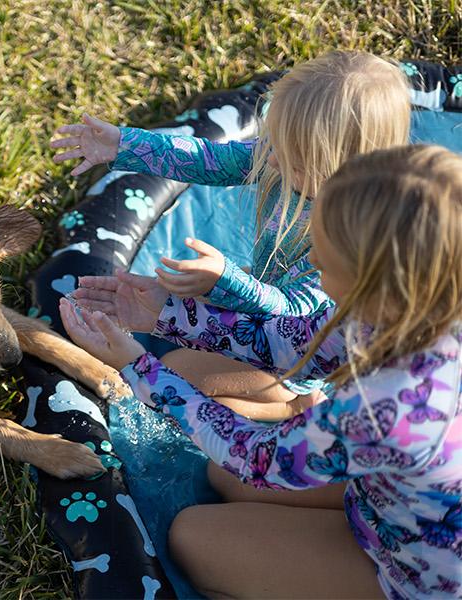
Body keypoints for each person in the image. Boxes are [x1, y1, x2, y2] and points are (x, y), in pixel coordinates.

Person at [62, 144, 462, 598]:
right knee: (219, 477)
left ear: (374, 282)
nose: (312, 263)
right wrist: (165, 313)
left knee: (191, 537)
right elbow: (295, 344)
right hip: (388, 501)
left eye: (326, 260)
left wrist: (139, 367)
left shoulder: (391, 405)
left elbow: (257, 458)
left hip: (418, 576)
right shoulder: (418, 308)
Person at [50, 50, 412, 421]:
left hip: (293, 360)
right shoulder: (286, 160)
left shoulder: (350, 237)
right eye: (274, 143)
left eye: (293, 161)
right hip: (257, 308)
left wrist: (225, 281)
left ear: (345, 165)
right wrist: (124, 145)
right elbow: (209, 158)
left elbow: (292, 317)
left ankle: (294, 407)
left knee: (171, 380)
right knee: (165, 329)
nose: (271, 162)